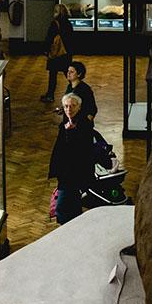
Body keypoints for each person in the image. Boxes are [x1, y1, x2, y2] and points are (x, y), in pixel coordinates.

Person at [47, 93, 94, 225]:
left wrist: (71, 133)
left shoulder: (83, 124)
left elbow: (81, 150)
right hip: (66, 173)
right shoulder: (66, 123)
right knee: (72, 207)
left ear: (79, 107)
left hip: (73, 174)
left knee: (62, 209)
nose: (69, 109)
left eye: (72, 106)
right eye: (66, 106)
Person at [41, 4, 73, 103]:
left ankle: (50, 95)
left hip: (56, 53)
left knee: (53, 74)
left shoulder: (54, 24)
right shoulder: (68, 23)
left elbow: (49, 38)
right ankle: (76, 91)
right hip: (66, 52)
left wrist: (46, 50)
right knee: (67, 73)